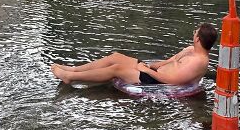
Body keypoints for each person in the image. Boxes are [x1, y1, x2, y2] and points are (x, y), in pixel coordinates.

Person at [51, 23, 217, 85]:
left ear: (198, 39)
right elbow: (171, 61)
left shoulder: (199, 62)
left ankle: (70, 78)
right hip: (154, 71)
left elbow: (173, 80)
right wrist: (152, 65)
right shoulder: (190, 50)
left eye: (195, 32)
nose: (193, 33)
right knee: (115, 56)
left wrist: (146, 71)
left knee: (115, 69)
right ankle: (73, 69)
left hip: (156, 81)